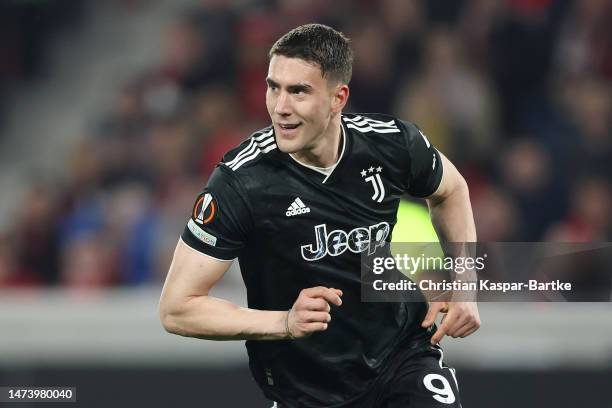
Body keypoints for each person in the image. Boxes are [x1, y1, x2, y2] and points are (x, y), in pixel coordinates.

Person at [159, 24, 480, 408]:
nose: (280, 106)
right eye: (273, 86)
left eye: (298, 91)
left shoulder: (392, 144)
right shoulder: (241, 181)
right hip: (307, 392)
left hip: (401, 355)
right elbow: (177, 307)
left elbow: (451, 190)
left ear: (337, 98)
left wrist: (464, 284)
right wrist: (283, 322)